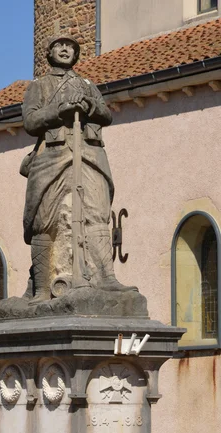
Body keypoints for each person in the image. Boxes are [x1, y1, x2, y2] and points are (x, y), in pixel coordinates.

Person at [21, 34, 136, 304]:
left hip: (88, 153)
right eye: (59, 46)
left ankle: (106, 278)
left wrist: (89, 105)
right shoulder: (39, 86)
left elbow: (106, 115)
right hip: (54, 154)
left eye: (70, 47)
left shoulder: (87, 84)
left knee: (97, 214)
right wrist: (59, 110)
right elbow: (30, 121)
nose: (65, 50)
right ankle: (41, 288)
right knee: (44, 219)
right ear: (49, 53)